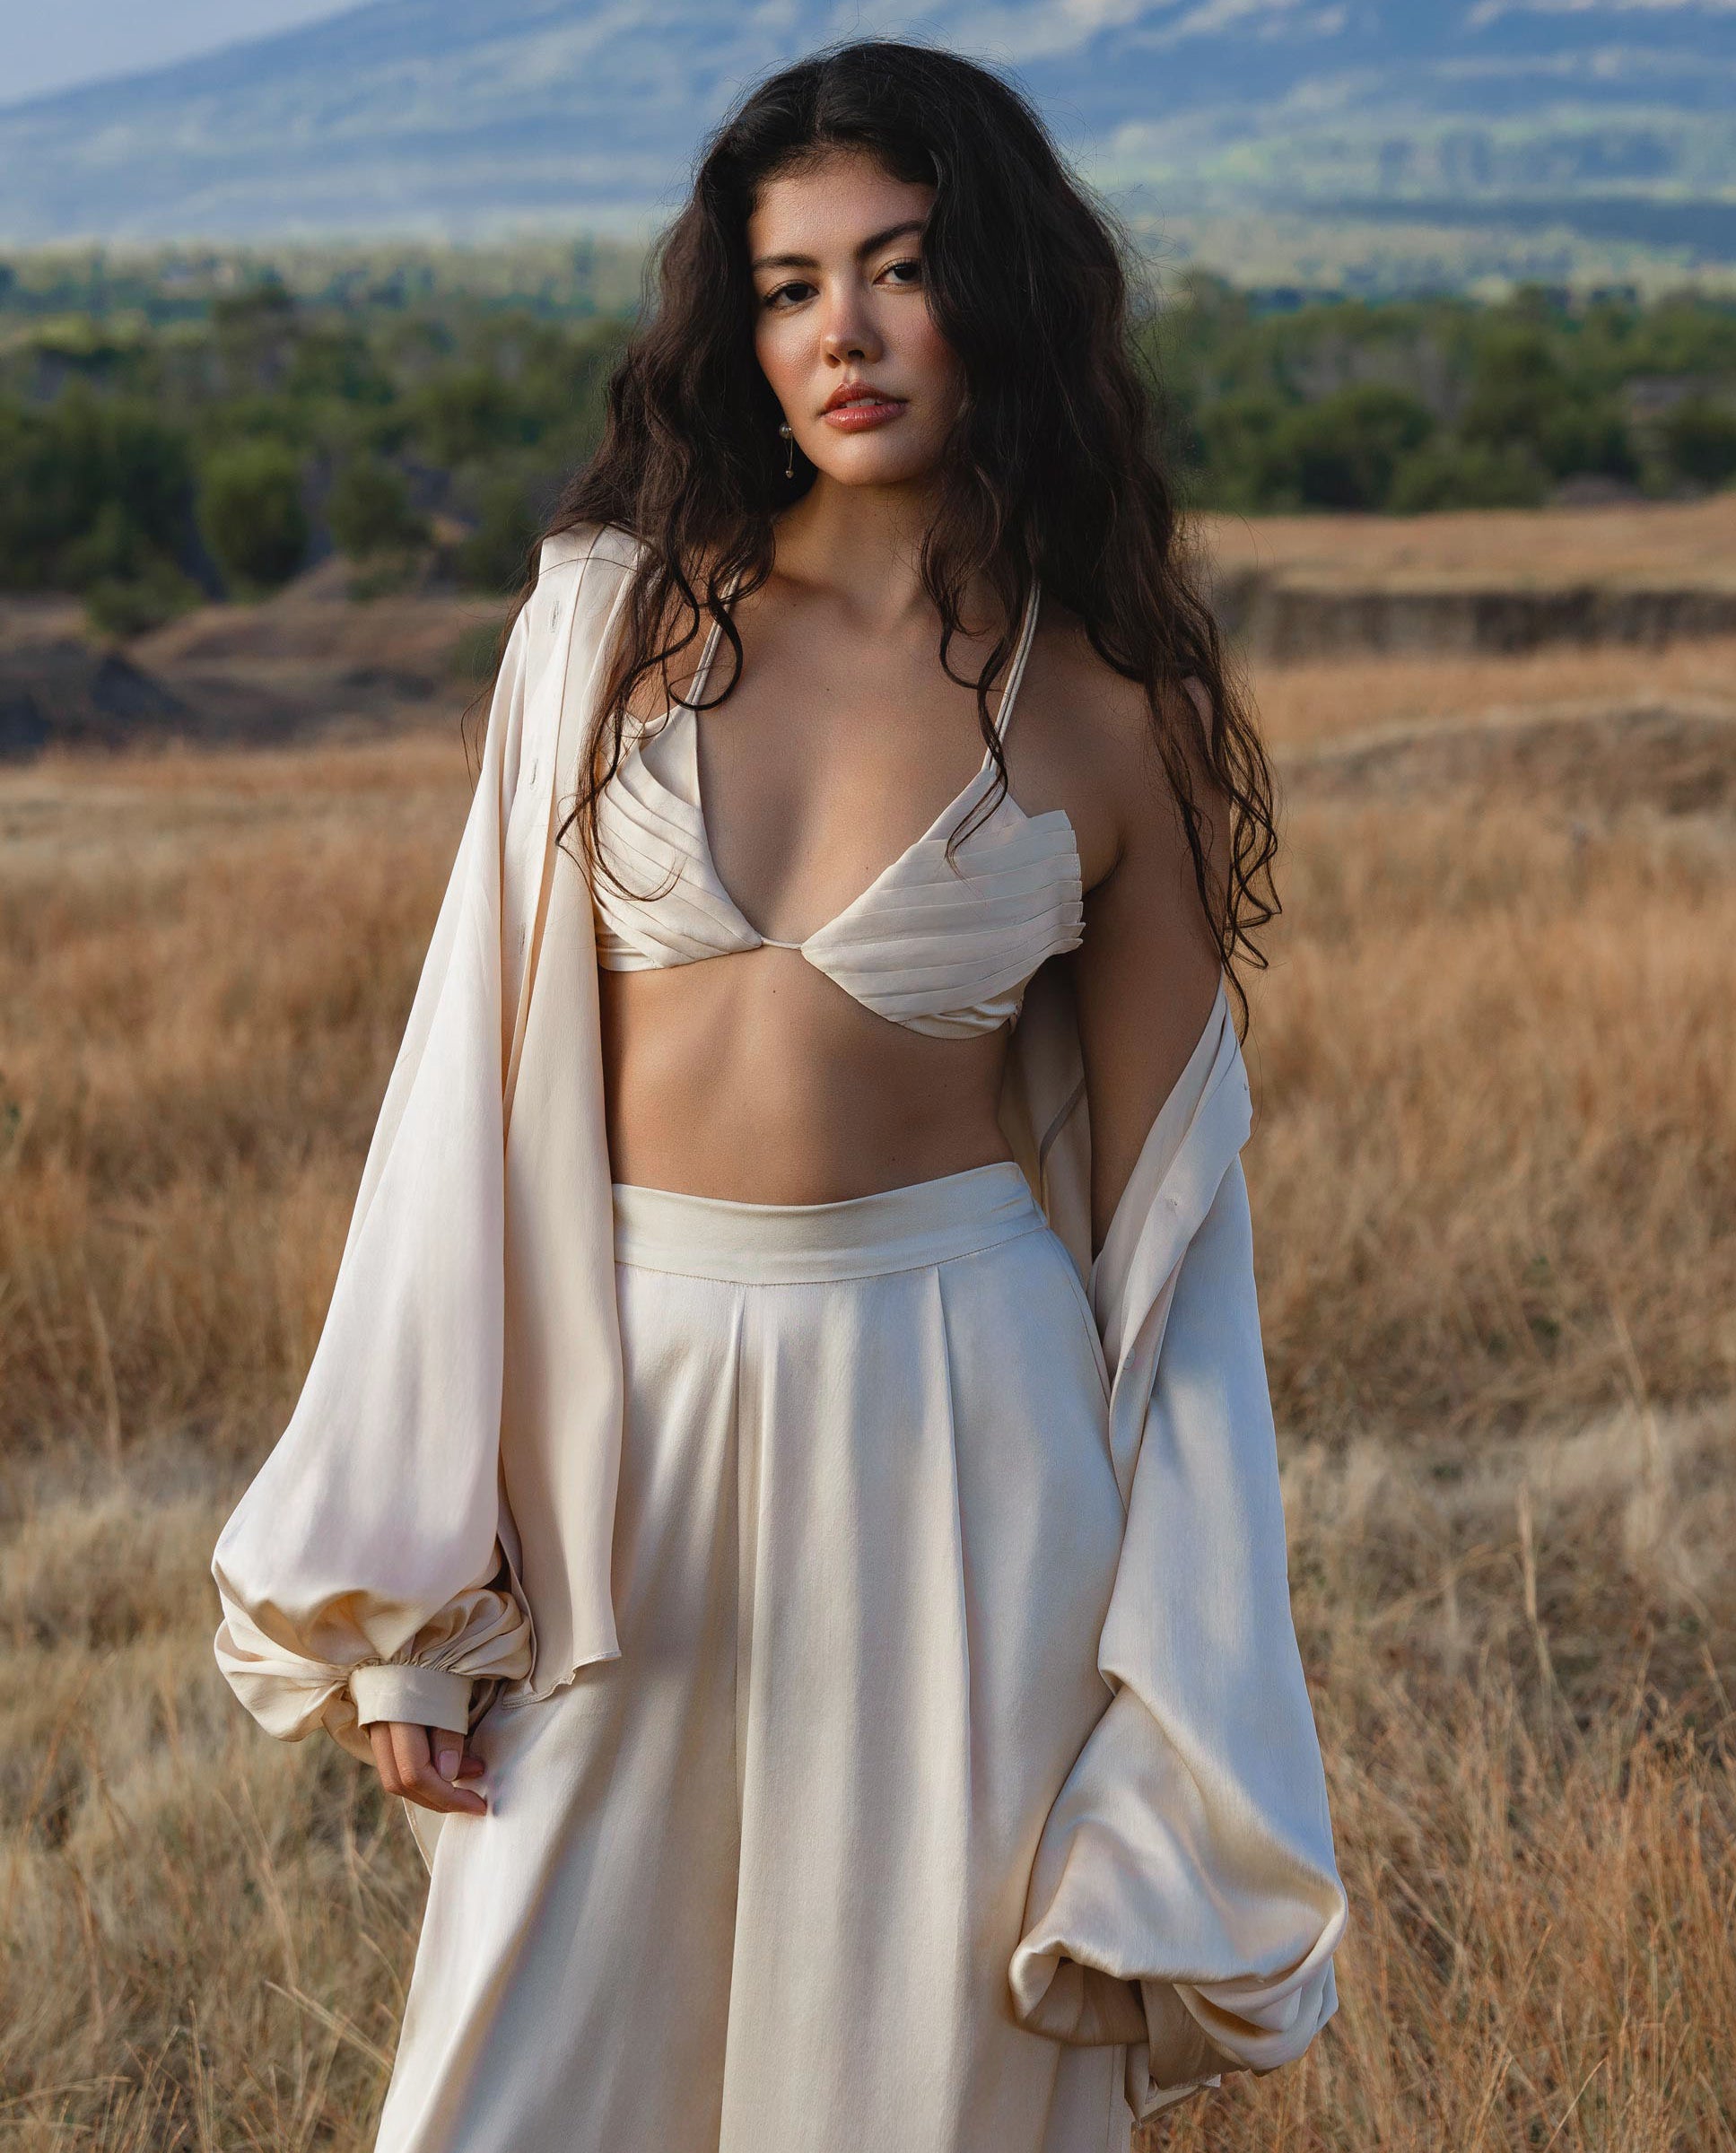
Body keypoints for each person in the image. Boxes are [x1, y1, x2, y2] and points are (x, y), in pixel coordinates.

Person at [210, 39, 1347, 2153]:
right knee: (514, 2079)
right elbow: (456, 1105)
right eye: (789, 283)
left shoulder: (1119, 710)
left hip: (960, 1435)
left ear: (997, 292)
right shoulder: (605, 624)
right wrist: (404, 1599)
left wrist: (1163, 1703)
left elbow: (1171, 1239)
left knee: (907, 2081)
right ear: (737, 326)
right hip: (617, 1423)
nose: (843, 332)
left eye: (899, 270)